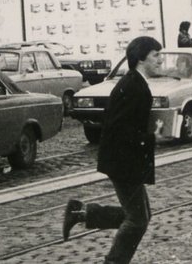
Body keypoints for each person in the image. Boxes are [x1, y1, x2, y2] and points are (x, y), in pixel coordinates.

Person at [62, 34, 164, 262]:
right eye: (156, 55)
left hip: (125, 160)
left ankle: (81, 213)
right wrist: (150, 138)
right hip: (122, 162)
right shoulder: (132, 86)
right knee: (137, 220)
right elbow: (119, 129)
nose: (160, 60)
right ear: (140, 58)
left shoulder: (135, 83)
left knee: (139, 216)